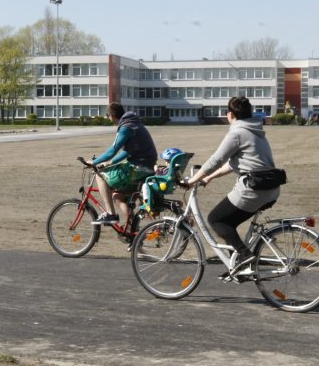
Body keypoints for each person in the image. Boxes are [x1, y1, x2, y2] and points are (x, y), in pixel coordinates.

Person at [181, 96, 280, 270]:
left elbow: (216, 160)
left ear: (231, 114)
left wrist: (192, 180)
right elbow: (233, 164)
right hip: (271, 188)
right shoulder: (254, 130)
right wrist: (209, 177)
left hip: (254, 189)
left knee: (216, 220)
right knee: (229, 223)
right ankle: (237, 266)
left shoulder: (237, 133)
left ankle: (244, 256)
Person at [84, 102, 157, 226]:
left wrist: (94, 162)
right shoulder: (134, 123)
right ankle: (132, 228)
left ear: (111, 116)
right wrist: (110, 163)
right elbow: (128, 151)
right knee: (117, 196)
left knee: (99, 175)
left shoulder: (126, 127)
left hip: (138, 168)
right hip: (148, 167)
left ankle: (110, 214)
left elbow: (113, 150)